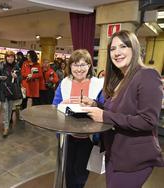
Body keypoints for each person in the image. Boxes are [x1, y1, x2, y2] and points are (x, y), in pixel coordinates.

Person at [85, 30, 164, 188]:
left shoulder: (147, 75)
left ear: (134, 48)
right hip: (114, 153)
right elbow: (118, 111)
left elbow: (148, 121)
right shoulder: (119, 79)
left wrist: (105, 116)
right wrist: (95, 105)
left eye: (123, 46)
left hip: (134, 158)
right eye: (113, 49)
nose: (117, 52)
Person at [52, 49, 103, 188]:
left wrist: (93, 103)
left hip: (88, 137)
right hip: (67, 136)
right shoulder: (64, 83)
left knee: (80, 173)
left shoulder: (98, 84)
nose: (79, 69)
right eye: (75, 65)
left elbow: (104, 108)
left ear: (89, 66)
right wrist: (63, 104)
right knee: (67, 170)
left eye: (83, 65)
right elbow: (54, 107)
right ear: (70, 66)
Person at [0, 51, 22, 137]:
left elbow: (20, 78)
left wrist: (17, 77)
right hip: (3, 91)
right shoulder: (1, 66)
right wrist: (0, 77)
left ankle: (7, 124)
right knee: (5, 109)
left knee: (10, 109)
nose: (10, 58)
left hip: (12, 91)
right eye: (8, 57)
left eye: (12, 57)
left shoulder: (16, 66)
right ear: (6, 57)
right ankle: (6, 127)